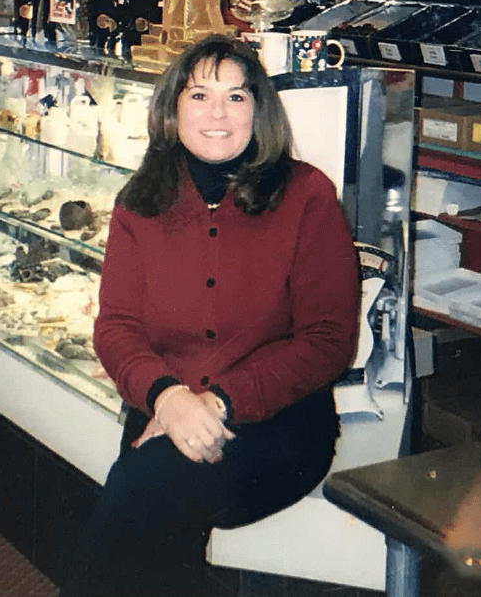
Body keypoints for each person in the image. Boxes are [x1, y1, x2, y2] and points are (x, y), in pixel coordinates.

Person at [62, 35, 361, 597]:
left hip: (277, 428)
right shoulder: (140, 202)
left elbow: (328, 339)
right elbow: (116, 327)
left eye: (237, 97)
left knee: (141, 494)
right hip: (166, 409)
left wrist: (219, 402)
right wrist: (170, 399)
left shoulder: (306, 195)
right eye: (200, 96)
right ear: (173, 110)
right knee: (150, 511)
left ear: (259, 110)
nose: (218, 114)